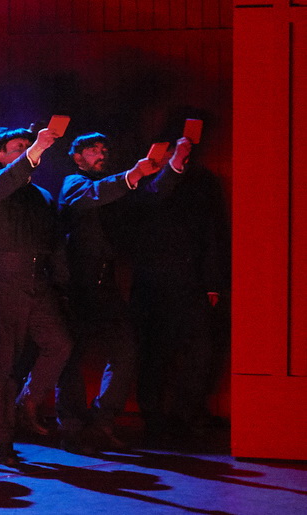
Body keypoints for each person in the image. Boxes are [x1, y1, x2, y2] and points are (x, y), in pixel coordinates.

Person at [55, 133, 164, 454]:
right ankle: (72, 427)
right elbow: (92, 195)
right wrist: (133, 175)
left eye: (104, 149)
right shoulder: (73, 182)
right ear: (77, 157)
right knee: (71, 356)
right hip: (76, 285)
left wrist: (161, 170)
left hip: (106, 282)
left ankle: (103, 420)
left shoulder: (111, 186)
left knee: (125, 349)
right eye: (93, 150)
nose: (101, 154)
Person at [0, 127, 74, 464]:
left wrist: (61, 284)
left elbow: (55, 244)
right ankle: (3, 440)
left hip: (37, 283)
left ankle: (27, 401)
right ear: (0, 155)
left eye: (29, 147)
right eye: (18, 148)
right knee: (1, 366)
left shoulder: (42, 195)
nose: (28, 151)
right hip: (2, 283)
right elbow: (12, 177)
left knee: (60, 344)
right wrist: (36, 149)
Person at [128, 135, 226, 446]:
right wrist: (171, 167)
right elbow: (152, 198)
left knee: (200, 351)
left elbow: (211, 231)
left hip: (191, 281)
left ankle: (187, 414)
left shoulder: (200, 181)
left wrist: (212, 283)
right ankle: (154, 418)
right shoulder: (140, 177)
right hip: (153, 284)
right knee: (155, 352)